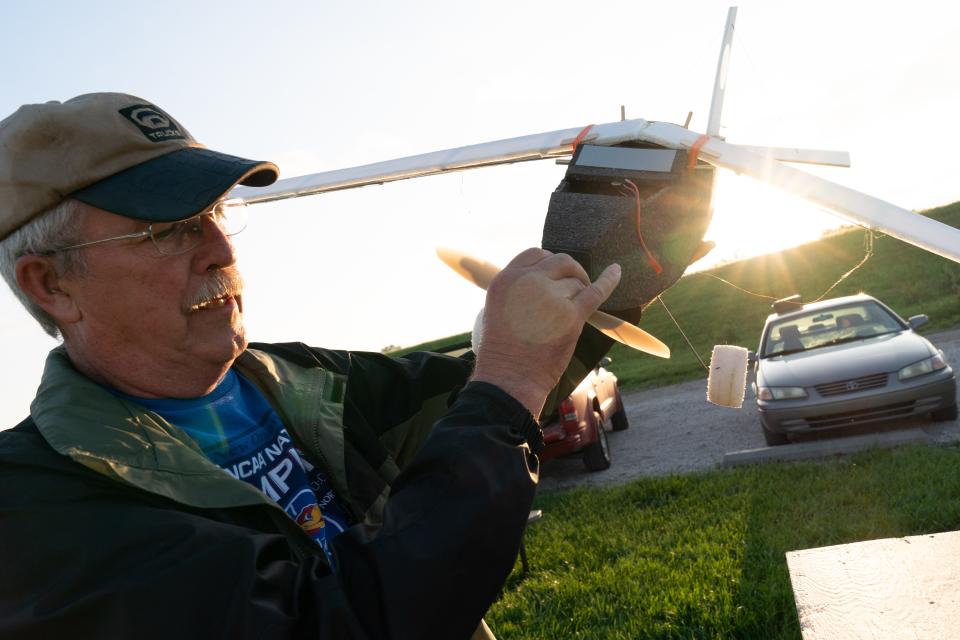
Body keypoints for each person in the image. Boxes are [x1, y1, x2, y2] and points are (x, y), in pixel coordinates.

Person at [0, 93, 622, 639]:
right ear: (51, 284)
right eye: (168, 229)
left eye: (216, 211)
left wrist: (611, 249)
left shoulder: (288, 378)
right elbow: (334, 621)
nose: (220, 249)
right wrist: (510, 379)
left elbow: (465, 402)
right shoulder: (36, 507)